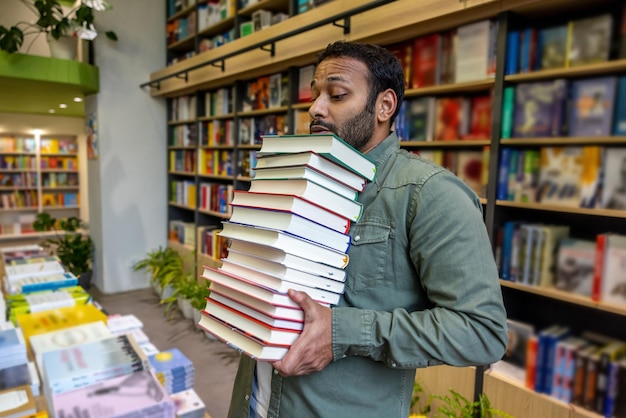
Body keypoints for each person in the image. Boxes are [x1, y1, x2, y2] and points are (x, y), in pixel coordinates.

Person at [227, 41, 508, 418]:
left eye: (337, 94)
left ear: (384, 106)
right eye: (315, 94)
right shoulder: (296, 177)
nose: (315, 108)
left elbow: (482, 331)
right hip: (251, 402)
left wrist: (344, 331)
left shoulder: (430, 194)